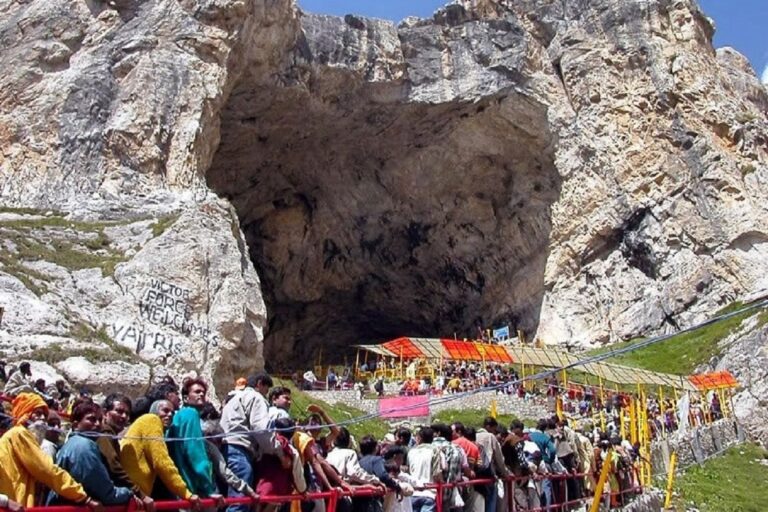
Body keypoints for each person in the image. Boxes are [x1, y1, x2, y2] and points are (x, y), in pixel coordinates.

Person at [0, 392, 102, 509]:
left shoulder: (19, 436)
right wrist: (83, 496)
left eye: (44, 414)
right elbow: (46, 470)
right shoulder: (19, 433)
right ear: (25, 414)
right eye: (37, 413)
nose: (43, 418)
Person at [46, 402, 136, 506]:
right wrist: (129, 493)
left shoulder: (75, 443)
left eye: (100, 420)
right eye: (92, 419)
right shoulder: (83, 447)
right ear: (76, 425)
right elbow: (106, 493)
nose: (98, 424)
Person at [120, 399, 201, 507]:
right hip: (134, 495)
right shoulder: (152, 420)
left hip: (133, 493)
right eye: (165, 411)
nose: (170, 415)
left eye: (172, 412)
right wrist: (186, 493)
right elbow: (161, 462)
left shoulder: (146, 424)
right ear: (154, 411)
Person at [221, 372, 281, 512]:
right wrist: (277, 450)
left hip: (224, 449)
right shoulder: (256, 397)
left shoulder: (233, 399)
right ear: (259, 384)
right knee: (240, 502)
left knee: (228, 500)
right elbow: (261, 429)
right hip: (240, 451)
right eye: (266, 389)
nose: (266, 394)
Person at [98, 394, 154, 511]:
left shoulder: (111, 435)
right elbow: (114, 466)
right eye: (119, 411)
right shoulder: (105, 433)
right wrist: (140, 493)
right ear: (105, 412)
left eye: (127, 413)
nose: (123, 416)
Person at [166, 379, 220, 500]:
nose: (201, 394)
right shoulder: (190, 414)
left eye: (203, 393)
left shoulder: (180, 415)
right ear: (185, 398)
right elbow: (195, 452)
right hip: (190, 485)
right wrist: (208, 488)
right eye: (197, 392)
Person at [408, 427, 443, 512]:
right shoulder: (434, 450)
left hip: (413, 492)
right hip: (429, 493)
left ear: (419, 438)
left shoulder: (411, 451)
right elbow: (436, 474)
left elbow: (409, 472)